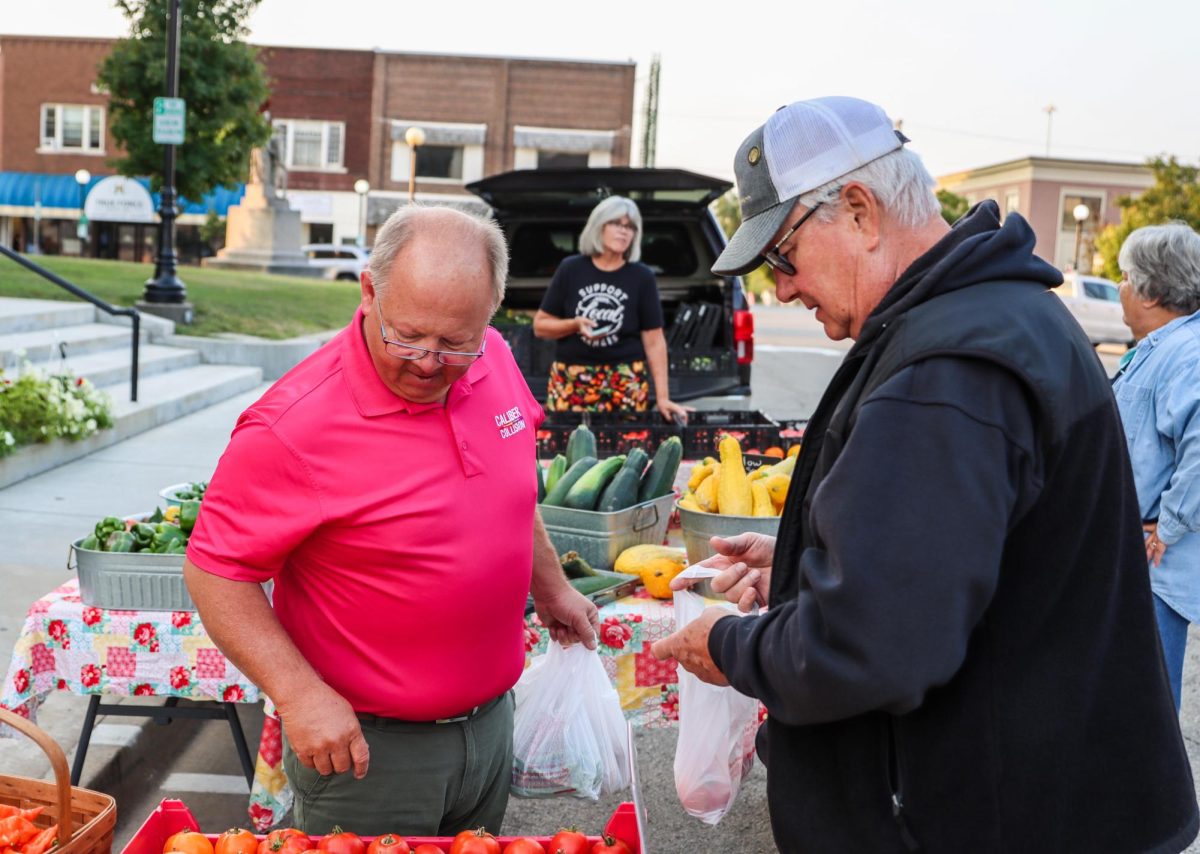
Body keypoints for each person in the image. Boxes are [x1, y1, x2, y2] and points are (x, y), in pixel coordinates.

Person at [651, 96, 1198, 853]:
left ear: (859, 212)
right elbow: (971, 554)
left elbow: (874, 646)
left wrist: (731, 648)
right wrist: (806, 561)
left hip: (990, 819)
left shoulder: (949, 368)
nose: (782, 289)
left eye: (782, 257)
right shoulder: (998, 314)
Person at [183, 206, 599, 837]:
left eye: (456, 341)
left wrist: (552, 586)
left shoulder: (495, 360)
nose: (430, 361)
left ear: (491, 312)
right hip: (368, 753)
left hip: (489, 726)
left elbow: (511, 490)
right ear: (370, 291)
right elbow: (215, 570)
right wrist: (297, 694)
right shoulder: (292, 425)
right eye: (408, 336)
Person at [1112, 222, 1200, 713]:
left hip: (1155, 570)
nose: (1120, 287)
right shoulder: (1164, 348)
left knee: (1148, 713)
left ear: (1148, 290)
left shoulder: (1186, 355)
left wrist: (1167, 527)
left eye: (1125, 277)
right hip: (1140, 562)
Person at [533, 196, 689, 422]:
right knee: (570, 451)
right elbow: (540, 326)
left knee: (626, 450)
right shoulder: (571, 269)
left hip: (625, 381)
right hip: (573, 379)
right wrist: (575, 324)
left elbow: (654, 341)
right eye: (616, 224)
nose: (624, 231)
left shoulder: (642, 276)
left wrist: (663, 398)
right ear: (599, 226)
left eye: (630, 227)